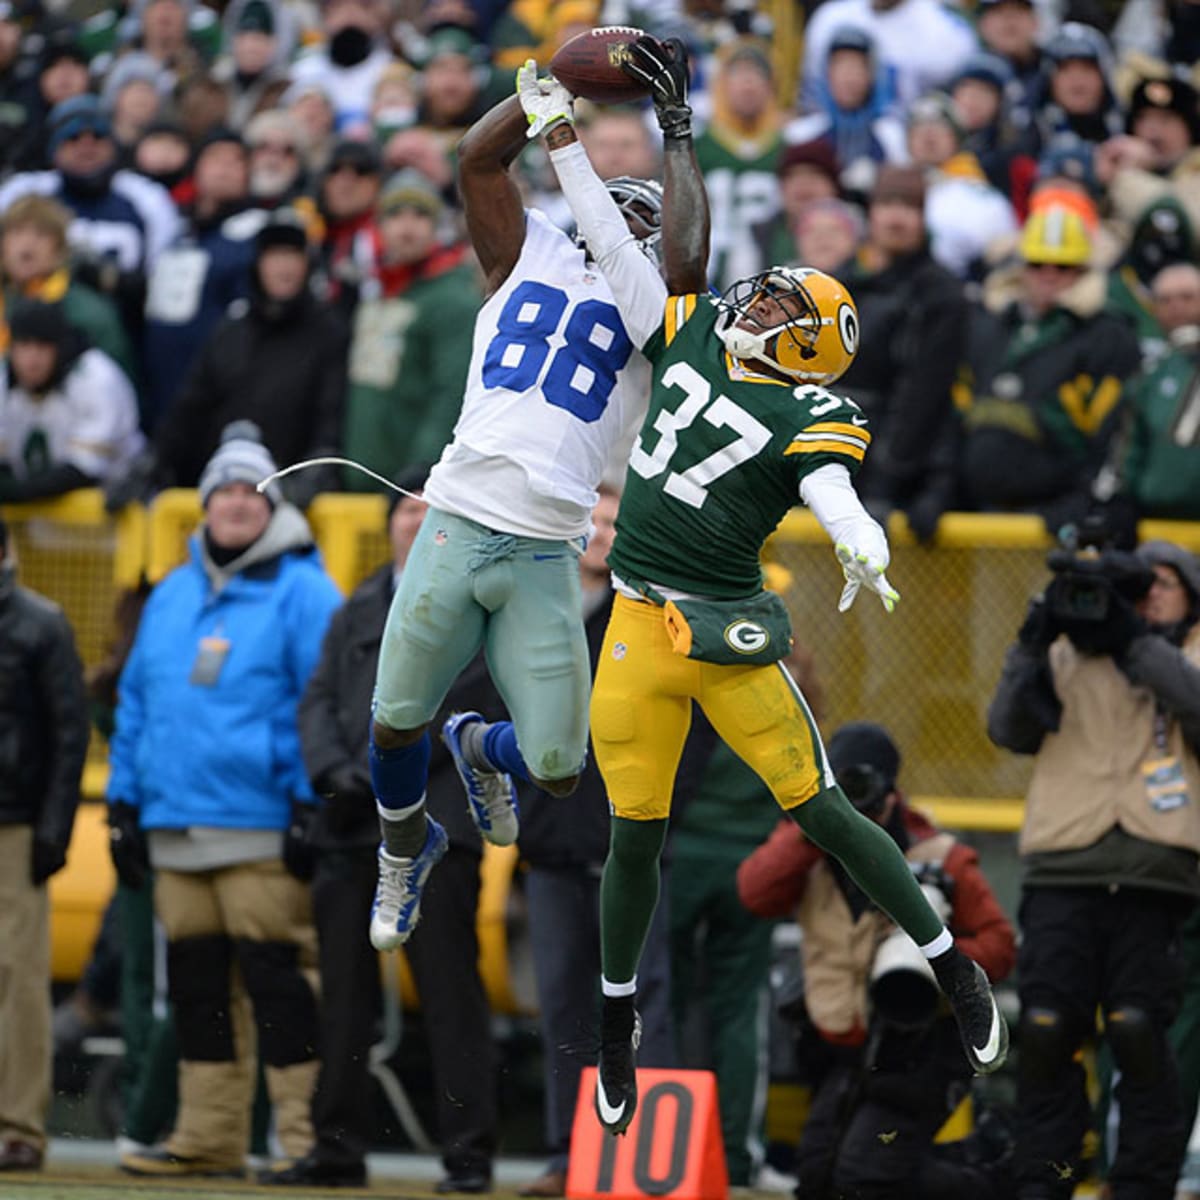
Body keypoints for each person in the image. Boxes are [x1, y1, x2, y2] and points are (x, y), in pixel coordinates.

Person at [518, 34, 1008, 1136]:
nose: (763, 304)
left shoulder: (810, 412)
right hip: (639, 625)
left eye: (787, 312)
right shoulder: (686, 329)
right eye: (773, 294)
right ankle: (614, 1017)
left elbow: (833, 489)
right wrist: (564, 141)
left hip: (727, 631)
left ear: (808, 354)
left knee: (824, 808)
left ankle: (948, 963)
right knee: (629, 834)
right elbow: (609, 228)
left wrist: (859, 536)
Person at [363, 86, 662, 953]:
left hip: (545, 548)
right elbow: (475, 159)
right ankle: (403, 845)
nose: (631, 227)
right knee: (392, 717)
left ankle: (481, 746)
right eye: (620, 211)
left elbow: (684, 258)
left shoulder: (654, 315)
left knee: (564, 769)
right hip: (460, 513)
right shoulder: (525, 251)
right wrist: (541, 96)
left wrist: (673, 136)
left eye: (646, 220)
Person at [106, 423, 342, 1178]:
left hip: (263, 823)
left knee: (279, 984)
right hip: (176, 821)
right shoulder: (173, 592)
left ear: (273, 506)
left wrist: (312, 801)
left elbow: (325, 699)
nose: (238, 503)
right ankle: (208, 1138)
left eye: (254, 491)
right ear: (204, 504)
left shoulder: (307, 589)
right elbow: (136, 701)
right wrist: (122, 802)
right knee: (200, 990)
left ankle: (305, 1139)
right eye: (226, 491)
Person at [288, 466, 500, 1192]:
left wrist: (378, 776)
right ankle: (335, 1148)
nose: (414, 519)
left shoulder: (477, 602)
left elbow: (467, 708)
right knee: (341, 1001)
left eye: (429, 508)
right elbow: (318, 698)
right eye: (404, 509)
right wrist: (336, 776)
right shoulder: (358, 606)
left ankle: (468, 1155)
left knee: (450, 997)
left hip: (438, 830)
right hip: (350, 829)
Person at [987, 536, 1200, 1200]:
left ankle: (1140, 1185)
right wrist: (1032, 642)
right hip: (1062, 866)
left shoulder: (1184, 655)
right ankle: (1044, 1180)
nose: (1154, 593)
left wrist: (1133, 638)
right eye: (1143, 584)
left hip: (1153, 871)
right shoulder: (1062, 649)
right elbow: (1007, 729)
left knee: (1138, 1031)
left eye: (1167, 582)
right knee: (1048, 1031)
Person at [738, 722, 1016, 1199]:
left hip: (920, 1045)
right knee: (819, 1180)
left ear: (892, 794)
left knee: (867, 1177)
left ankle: (997, 1183)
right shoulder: (811, 852)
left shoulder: (940, 856)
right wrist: (819, 819)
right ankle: (980, 1159)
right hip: (845, 1052)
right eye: (843, 787)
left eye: (864, 788)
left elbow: (1002, 946)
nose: (856, 799)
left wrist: (928, 957)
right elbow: (753, 891)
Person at [517, 485, 676, 1199]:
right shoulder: (539, 616)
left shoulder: (650, 618)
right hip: (554, 850)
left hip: (630, 851)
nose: (606, 533)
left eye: (618, 521)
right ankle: (566, 1154)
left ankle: (645, 1161)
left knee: (644, 1002)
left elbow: (692, 731)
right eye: (597, 521)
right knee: (562, 1007)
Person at [0, 513, 88, 1172]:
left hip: (14, 824)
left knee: (19, 980)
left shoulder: (42, 624)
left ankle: (19, 1124)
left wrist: (54, 828)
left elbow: (69, 733)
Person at [0, 299, 144, 502]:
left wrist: (15, 494)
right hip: (39, 522)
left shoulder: (95, 378)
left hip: (113, 519)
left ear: (60, 347)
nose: (31, 360)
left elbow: (84, 471)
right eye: (24, 346)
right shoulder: (5, 381)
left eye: (42, 346)